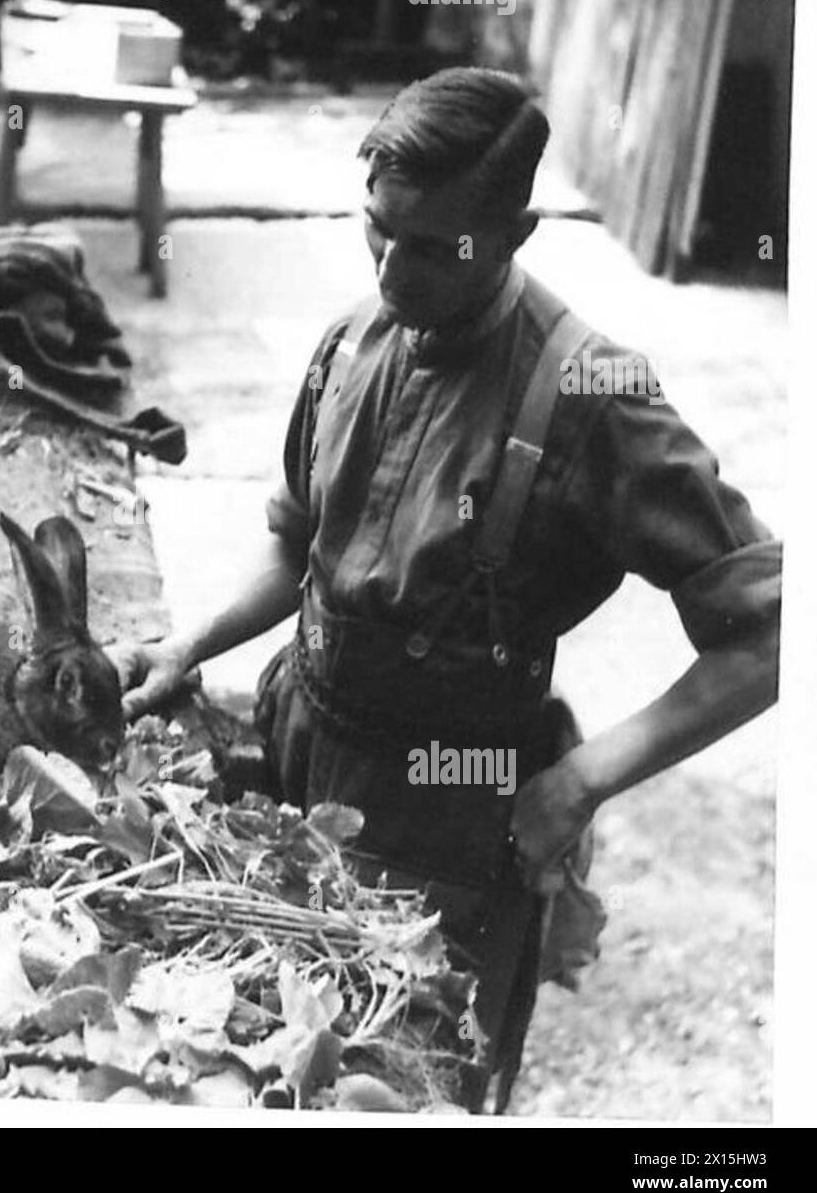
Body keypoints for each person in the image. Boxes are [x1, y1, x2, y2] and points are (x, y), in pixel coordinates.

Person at [109, 67, 781, 1113]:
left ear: (514, 231)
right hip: (297, 754)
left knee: (398, 1087)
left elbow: (773, 633)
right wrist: (187, 647)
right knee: (252, 1068)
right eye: (377, 228)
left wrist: (581, 779)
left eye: (431, 247)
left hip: (450, 820)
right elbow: (296, 549)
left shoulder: (594, 397)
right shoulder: (350, 342)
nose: (389, 269)